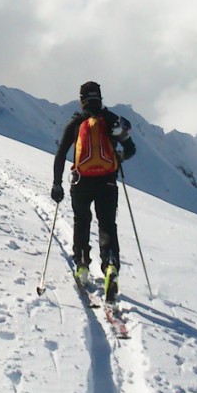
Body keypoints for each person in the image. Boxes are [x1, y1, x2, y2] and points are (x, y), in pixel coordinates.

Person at [51, 81, 135, 302]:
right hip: (107, 183)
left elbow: (61, 154)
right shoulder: (111, 120)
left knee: (82, 221)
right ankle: (110, 267)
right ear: (100, 97)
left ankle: (82, 266)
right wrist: (118, 158)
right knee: (107, 224)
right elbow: (131, 149)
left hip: (82, 183)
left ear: (81, 99)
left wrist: (57, 183)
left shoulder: (77, 122)